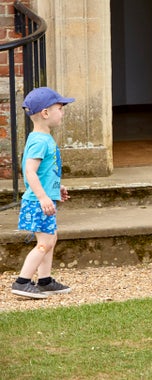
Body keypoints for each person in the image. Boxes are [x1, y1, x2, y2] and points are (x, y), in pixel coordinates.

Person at [10, 87, 75, 299]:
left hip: (44, 200)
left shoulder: (44, 138)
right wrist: (43, 197)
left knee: (51, 239)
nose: (62, 112)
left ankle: (45, 280)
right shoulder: (39, 140)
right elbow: (30, 171)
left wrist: (56, 189)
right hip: (37, 202)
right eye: (59, 108)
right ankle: (22, 281)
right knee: (44, 242)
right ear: (45, 113)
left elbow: (46, 173)